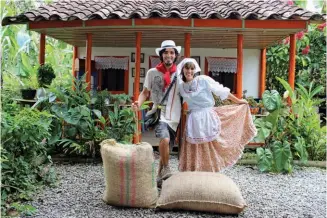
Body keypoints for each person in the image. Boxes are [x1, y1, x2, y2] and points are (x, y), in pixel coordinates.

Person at [176, 58, 257, 172]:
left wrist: (238, 101)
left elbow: (221, 91)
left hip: (208, 115)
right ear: (182, 69)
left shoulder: (203, 80)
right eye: (186, 68)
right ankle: (194, 170)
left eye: (191, 68)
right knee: (195, 147)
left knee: (211, 145)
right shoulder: (181, 87)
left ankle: (211, 170)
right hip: (193, 119)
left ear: (195, 70)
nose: (189, 71)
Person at [132, 40, 182, 184]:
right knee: (164, 140)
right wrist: (138, 103)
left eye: (172, 52)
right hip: (160, 113)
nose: (169, 55)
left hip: (176, 116)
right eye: (166, 52)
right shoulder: (152, 73)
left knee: (166, 146)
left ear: (175, 56)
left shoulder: (179, 74)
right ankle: (166, 168)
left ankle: (159, 178)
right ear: (161, 55)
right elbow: (145, 92)